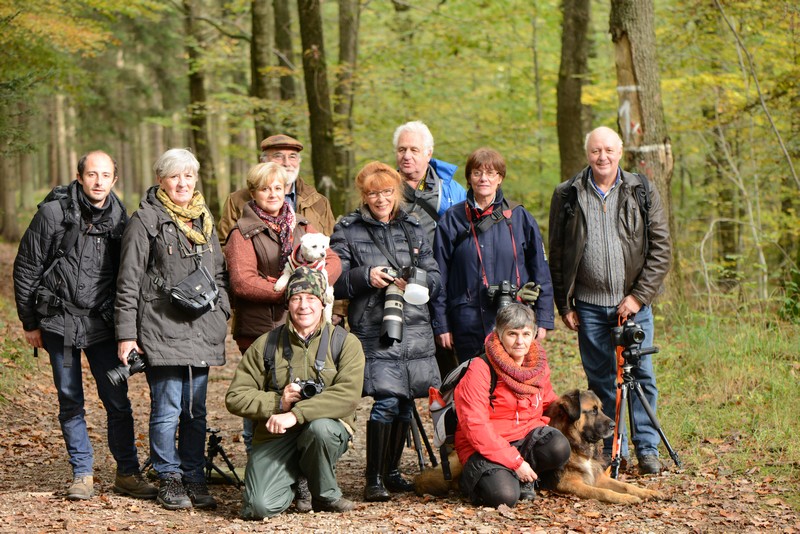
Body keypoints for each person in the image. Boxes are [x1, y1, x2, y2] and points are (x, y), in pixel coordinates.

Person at [13, 151, 156, 501]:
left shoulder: (124, 220)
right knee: (70, 400)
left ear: (114, 180)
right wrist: (30, 322)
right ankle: (82, 473)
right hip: (58, 325)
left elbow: (132, 279)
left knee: (117, 401)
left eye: (105, 175)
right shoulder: (52, 215)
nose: (98, 181)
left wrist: (130, 330)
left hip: (103, 327)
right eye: (92, 174)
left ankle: (127, 473)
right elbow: (26, 268)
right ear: (79, 177)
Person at [547, 126, 672, 475]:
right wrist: (565, 305)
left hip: (632, 306)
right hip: (587, 306)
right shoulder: (568, 194)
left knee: (642, 379)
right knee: (602, 383)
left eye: (608, 150)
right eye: (595, 151)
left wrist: (637, 297)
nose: (602, 157)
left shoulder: (641, 190)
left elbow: (661, 250)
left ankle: (647, 449)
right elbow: (557, 255)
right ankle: (615, 450)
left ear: (619, 152)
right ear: (587, 154)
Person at [115, 148, 231, 510]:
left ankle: (195, 474)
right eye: (174, 176)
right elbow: (128, 282)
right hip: (161, 328)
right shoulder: (145, 221)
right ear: (160, 180)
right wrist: (126, 335)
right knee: (167, 409)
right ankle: (169, 477)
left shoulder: (204, 221)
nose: (182, 183)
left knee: (195, 411)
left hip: (203, 329)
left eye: (188, 176)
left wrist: (222, 309)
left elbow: (220, 274)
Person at [330, 161, 442, 502]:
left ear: (397, 192)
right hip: (374, 327)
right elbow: (335, 283)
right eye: (373, 193)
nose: (380, 199)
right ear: (364, 195)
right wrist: (367, 276)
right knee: (386, 401)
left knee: (407, 403)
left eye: (387, 192)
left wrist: (418, 281)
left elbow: (434, 275)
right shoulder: (347, 228)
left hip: (415, 325)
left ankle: (392, 472)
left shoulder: (413, 225)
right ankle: (374, 478)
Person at [224, 161, 341, 463]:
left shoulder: (302, 226)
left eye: (278, 187)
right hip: (259, 329)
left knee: (300, 392)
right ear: (253, 192)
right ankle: (260, 465)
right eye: (265, 188)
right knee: (261, 397)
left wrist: (314, 284)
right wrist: (293, 293)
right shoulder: (242, 232)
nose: (273, 194)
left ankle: (298, 468)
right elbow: (243, 282)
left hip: (300, 326)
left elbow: (333, 260)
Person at [225, 266, 365, 518]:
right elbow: (236, 397)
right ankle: (293, 478)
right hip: (277, 436)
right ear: (287, 304)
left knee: (319, 430)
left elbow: (348, 396)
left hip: (326, 429)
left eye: (311, 298)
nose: (304, 305)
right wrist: (278, 402)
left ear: (323, 303)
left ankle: (324, 495)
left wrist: (296, 414)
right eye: (296, 298)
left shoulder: (344, 342)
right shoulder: (266, 344)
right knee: (258, 508)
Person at [432, 147, 554, 363]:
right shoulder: (453, 219)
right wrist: (442, 324)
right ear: (469, 178)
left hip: (515, 320)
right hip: (466, 322)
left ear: (500, 178)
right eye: (477, 173)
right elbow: (439, 276)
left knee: (513, 387)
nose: (483, 179)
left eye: (491, 173)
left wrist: (543, 319)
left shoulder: (518, 217)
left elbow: (540, 270)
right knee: (473, 386)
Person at [454, 303, 570, 507]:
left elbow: (548, 401)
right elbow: (476, 427)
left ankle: (524, 478)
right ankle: (475, 479)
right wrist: (515, 463)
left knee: (559, 446)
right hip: (485, 447)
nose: (520, 341)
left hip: (524, 439)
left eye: (526, 334)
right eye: (512, 334)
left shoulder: (537, 365)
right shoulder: (480, 369)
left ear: (534, 334)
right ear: (499, 334)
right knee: (504, 496)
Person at [217, 134, 336, 243]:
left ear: (299, 161)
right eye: (278, 156)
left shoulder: (319, 202)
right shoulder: (237, 200)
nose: (286, 163)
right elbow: (225, 245)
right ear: (262, 161)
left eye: (292, 156)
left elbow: (332, 244)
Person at [393, 120, 467, 242]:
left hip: (438, 260)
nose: (406, 156)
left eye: (414, 150)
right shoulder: (383, 191)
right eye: (402, 149)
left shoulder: (453, 191)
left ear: (429, 154)